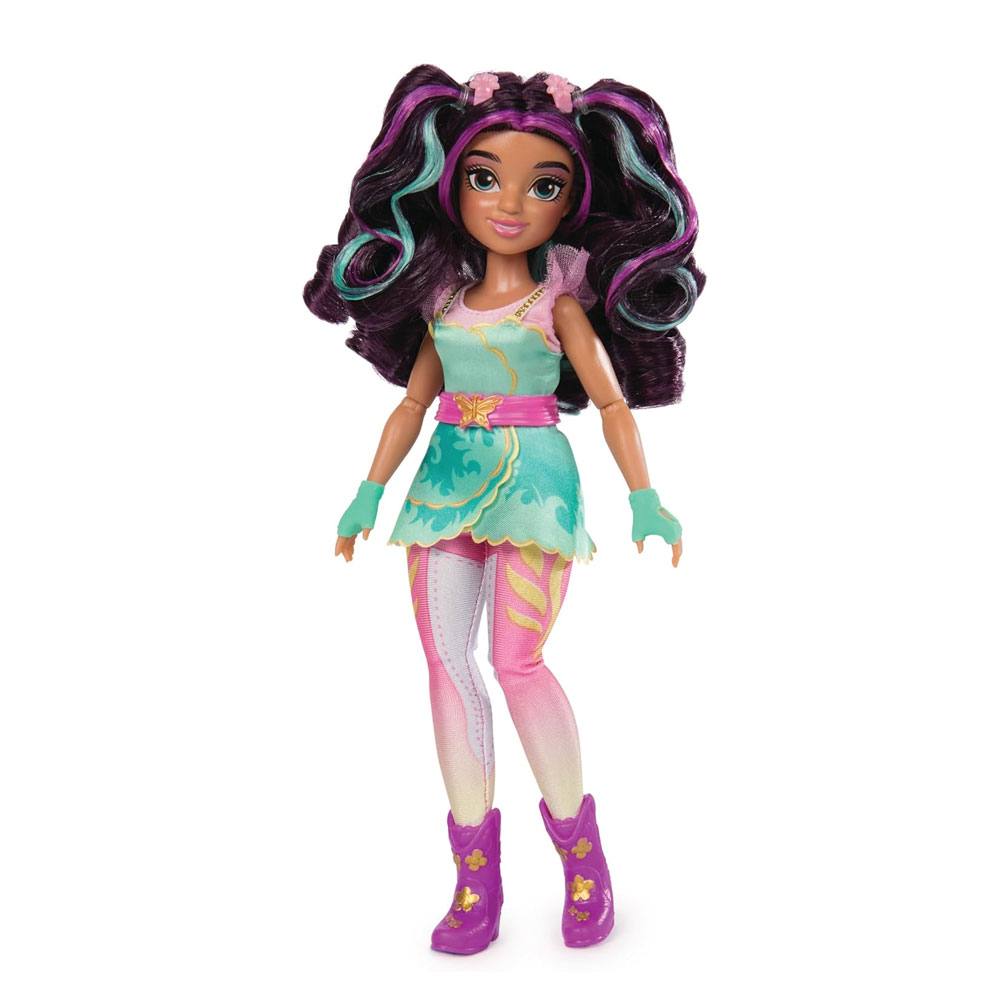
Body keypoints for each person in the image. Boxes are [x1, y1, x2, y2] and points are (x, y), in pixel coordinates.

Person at [304, 66, 704, 954]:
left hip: (536, 485)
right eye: (487, 178)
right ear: (453, 186)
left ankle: (581, 855)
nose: (512, 204)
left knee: (517, 661)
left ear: (574, 201)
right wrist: (368, 492)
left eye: (543, 186)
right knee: (447, 665)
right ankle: (474, 876)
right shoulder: (442, 298)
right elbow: (414, 403)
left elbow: (610, 402)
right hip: (443, 483)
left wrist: (646, 499)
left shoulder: (559, 299)